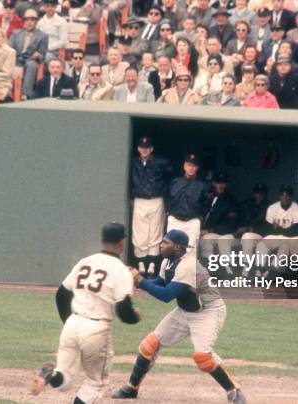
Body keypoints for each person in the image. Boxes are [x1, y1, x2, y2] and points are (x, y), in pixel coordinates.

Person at [111, 229, 246, 404]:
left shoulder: (188, 265)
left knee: (202, 357)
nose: (161, 245)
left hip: (208, 311)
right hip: (185, 310)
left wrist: (140, 281)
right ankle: (132, 387)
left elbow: (166, 295)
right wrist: (137, 281)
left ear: (177, 247)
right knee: (149, 345)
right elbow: (158, 284)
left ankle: (233, 389)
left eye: (165, 243)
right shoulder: (168, 262)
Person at [30, 223, 141, 403]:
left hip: (73, 324)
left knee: (64, 379)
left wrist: (68, 322)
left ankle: (49, 376)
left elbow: (62, 294)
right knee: (96, 384)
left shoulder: (86, 261)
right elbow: (124, 311)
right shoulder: (121, 270)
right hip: (96, 329)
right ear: (121, 243)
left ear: (103, 240)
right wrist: (136, 316)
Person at [130, 136, 171, 275]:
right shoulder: (134, 162)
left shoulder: (161, 162)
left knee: (155, 232)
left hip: (156, 199)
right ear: (138, 148)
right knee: (140, 232)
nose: (144, 150)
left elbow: (169, 179)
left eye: (147, 147)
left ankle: (152, 265)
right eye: (142, 147)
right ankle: (141, 264)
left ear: (151, 149)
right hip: (139, 199)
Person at [166, 153, 211, 252]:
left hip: (192, 222)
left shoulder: (203, 186)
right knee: (170, 249)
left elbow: (207, 204)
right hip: (175, 220)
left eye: (194, 166)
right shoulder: (175, 182)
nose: (191, 168)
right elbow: (168, 198)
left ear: (197, 168)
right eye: (189, 165)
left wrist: (200, 216)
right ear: (184, 166)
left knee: (190, 251)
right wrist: (169, 211)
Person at [199, 172, 239, 275]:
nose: (220, 185)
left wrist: (209, 230)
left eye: (223, 183)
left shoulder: (230, 201)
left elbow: (230, 226)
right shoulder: (207, 197)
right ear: (213, 183)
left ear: (226, 184)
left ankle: (212, 271)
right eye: (218, 182)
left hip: (220, 233)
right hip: (200, 230)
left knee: (208, 238)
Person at [9, 8, 48, 100]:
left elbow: (43, 55)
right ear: (23, 21)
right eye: (27, 20)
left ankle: (25, 94)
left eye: (32, 20)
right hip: (16, 60)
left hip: (31, 60)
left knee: (31, 65)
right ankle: (8, 91)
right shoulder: (16, 33)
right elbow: (9, 49)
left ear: (36, 21)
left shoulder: (42, 36)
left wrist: (38, 55)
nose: (29, 22)